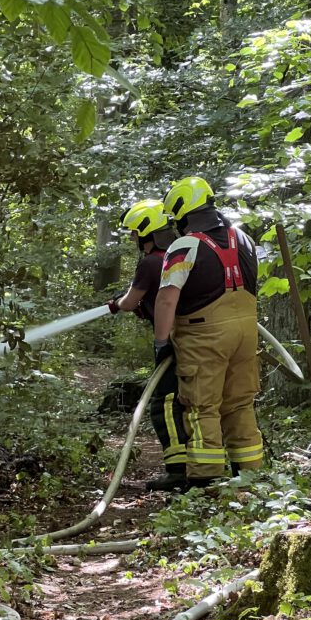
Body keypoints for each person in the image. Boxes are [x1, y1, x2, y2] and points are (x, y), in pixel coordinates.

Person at [154, 176, 263, 488]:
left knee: (203, 406)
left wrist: (162, 341)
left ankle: (206, 480)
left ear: (183, 212)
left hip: (203, 338)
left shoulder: (184, 246)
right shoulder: (243, 238)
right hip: (246, 333)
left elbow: (166, 298)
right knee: (240, 403)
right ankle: (250, 476)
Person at [108, 199, 188, 491]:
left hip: (171, 342)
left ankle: (178, 470)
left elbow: (129, 301)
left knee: (164, 404)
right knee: (193, 400)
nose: (132, 237)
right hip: (195, 338)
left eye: (133, 232)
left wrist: (117, 304)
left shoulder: (151, 262)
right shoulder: (178, 255)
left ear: (146, 231)